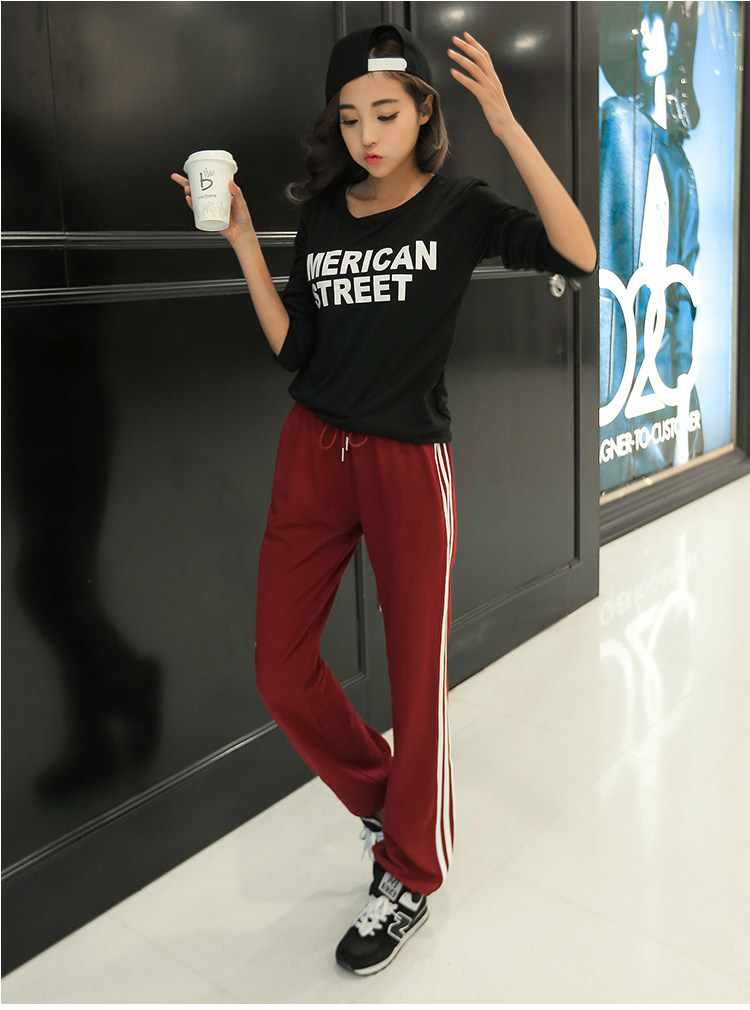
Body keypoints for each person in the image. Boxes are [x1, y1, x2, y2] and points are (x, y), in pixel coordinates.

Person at [172, 23, 595, 976]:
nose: (368, 134)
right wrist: (243, 241)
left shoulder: (459, 206)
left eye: (387, 113)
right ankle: (384, 798)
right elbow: (295, 349)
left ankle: (409, 871)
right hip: (313, 452)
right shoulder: (325, 214)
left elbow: (576, 255)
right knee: (281, 672)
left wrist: (507, 123)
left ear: (422, 112)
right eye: (351, 116)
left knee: (414, 679)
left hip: (407, 460)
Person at [599, 1, 703, 492]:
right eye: (634, 23)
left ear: (675, 36)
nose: (641, 33)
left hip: (661, 374)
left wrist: (683, 407)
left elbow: (684, 299)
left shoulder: (679, 162)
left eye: (652, 20)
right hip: (625, 377)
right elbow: (609, 282)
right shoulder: (620, 122)